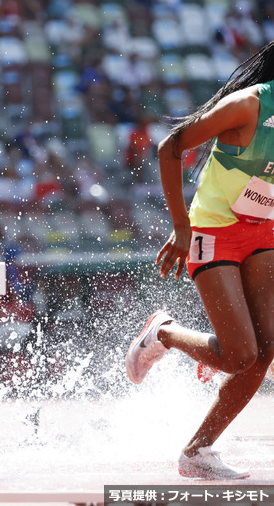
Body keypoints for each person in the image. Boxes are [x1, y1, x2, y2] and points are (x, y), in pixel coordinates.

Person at [125, 41, 274, 480]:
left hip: (264, 232)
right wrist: (182, 225)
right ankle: (163, 333)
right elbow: (171, 146)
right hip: (213, 230)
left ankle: (198, 452)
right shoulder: (248, 105)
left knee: (264, 350)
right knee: (239, 356)